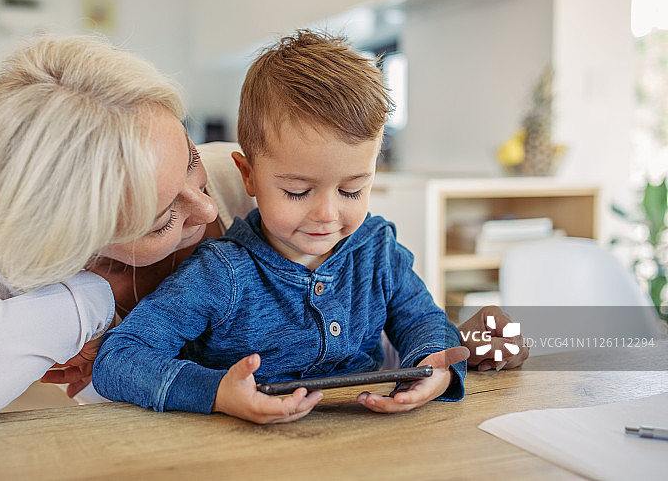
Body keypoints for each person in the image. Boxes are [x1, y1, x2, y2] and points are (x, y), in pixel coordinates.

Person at [0, 35, 525, 446]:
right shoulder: (30, 268)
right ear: (79, 244)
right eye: (161, 219)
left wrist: (440, 348)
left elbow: (364, 317)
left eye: (186, 158)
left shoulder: (255, 181)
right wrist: (96, 296)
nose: (209, 204)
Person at [92, 31, 470, 424]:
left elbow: (426, 322)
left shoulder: (378, 250)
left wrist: (433, 367)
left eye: (351, 189)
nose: (327, 213)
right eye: (297, 191)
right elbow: (119, 359)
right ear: (248, 175)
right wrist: (217, 393)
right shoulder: (220, 273)